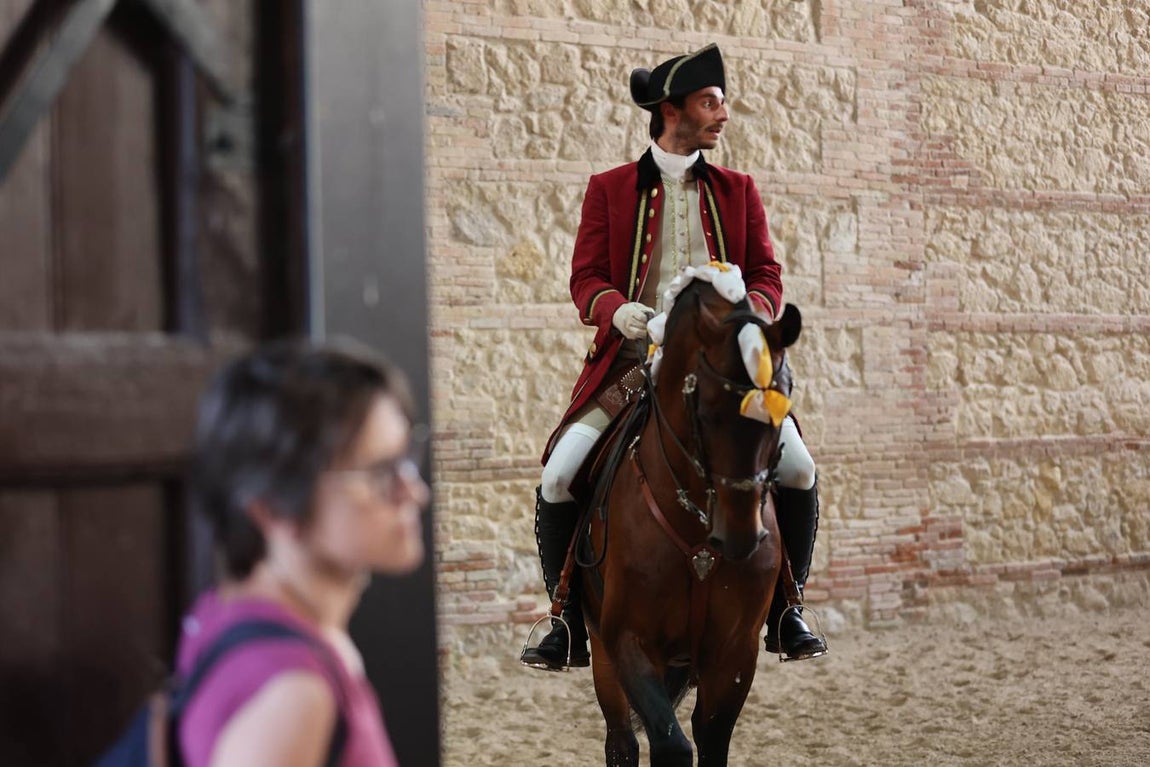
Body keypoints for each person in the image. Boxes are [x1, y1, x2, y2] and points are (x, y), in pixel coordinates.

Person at [519, 43, 826, 671]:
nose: (723, 114)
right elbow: (585, 278)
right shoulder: (608, 189)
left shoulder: (739, 189)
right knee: (558, 476)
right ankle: (565, 619)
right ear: (671, 110)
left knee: (798, 468)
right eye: (711, 102)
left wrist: (751, 314)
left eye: (722, 102)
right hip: (633, 365)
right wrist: (617, 311)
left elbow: (768, 273)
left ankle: (788, 606)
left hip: (726, 369)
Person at [176, 339, 430, 766]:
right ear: (273, 508)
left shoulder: (229, 612)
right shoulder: (292, 693)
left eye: (407, 459)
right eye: (380, 473)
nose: (415, 493)